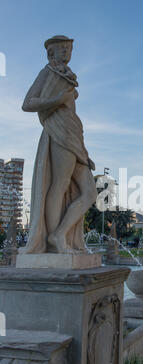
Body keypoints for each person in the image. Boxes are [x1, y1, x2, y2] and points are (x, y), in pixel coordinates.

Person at [21, 36, 97, 254]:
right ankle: (56, 241)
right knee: (60, 184)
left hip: (74, 134)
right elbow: (27, 104)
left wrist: (84, 151)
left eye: (69, 48)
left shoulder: (67, 76)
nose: (66, 52)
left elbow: (70, 108)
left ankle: (59, 233)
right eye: (62, 48)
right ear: (50, 53)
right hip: (60, 131)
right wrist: (56, 101)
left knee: (90, 193)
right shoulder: (47, 72)